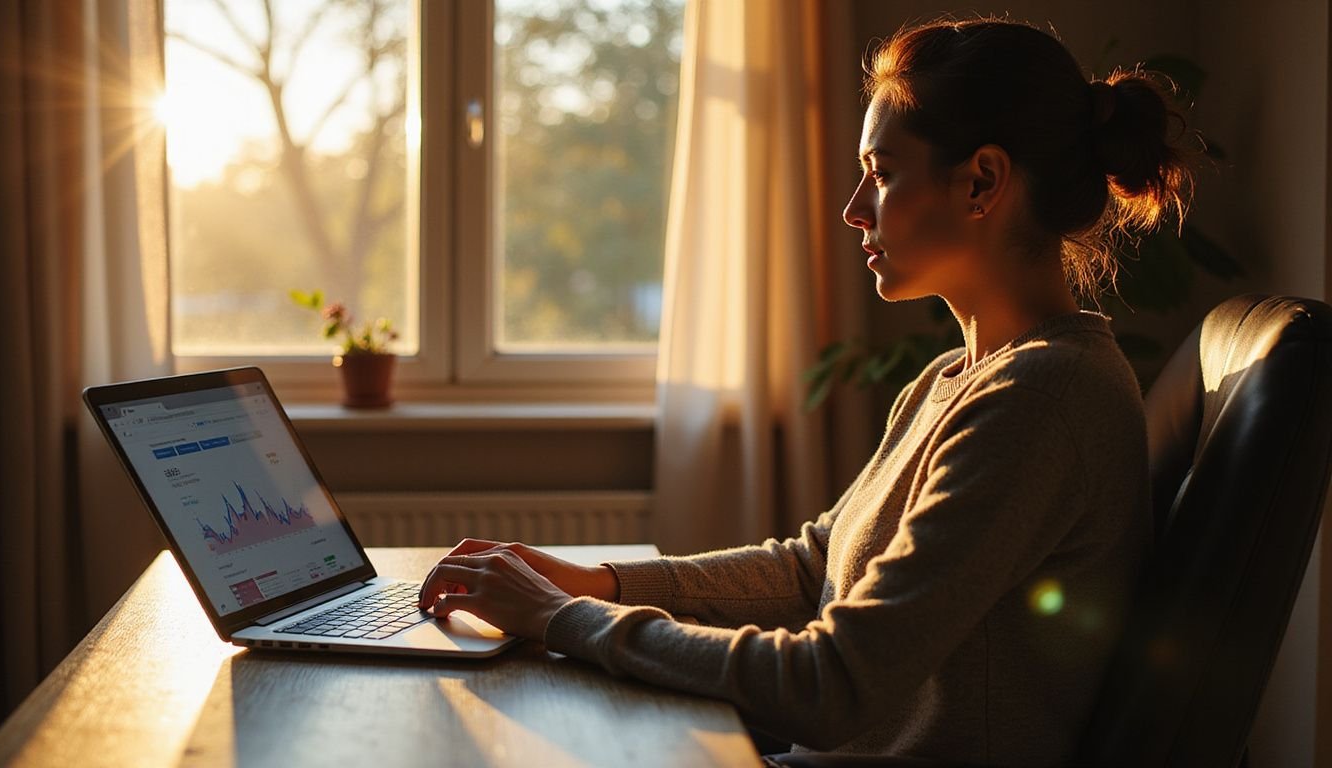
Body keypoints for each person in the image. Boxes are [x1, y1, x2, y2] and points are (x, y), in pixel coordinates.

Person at [417, 17, 1194, 765]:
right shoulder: (957, 378)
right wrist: (599, 584)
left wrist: (561, 618)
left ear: (982, 182)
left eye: (882, 175)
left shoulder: (1045, 398)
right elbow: (809, 567)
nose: (855, 210)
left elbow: (833, 684)